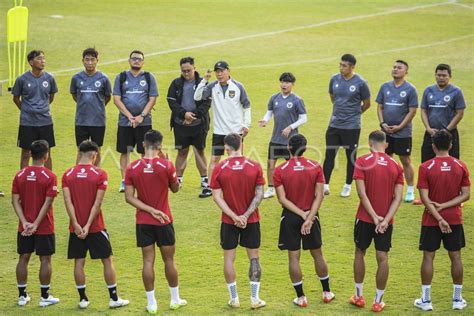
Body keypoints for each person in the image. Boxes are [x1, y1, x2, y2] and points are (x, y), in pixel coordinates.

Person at [124, 130, 186, 313]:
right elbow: (175, 189)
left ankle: (152, 304)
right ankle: (175, 299)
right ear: (159, 146)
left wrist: (150, 211)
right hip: (164, 220)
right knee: (169, 260)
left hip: (143, 222)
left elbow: (129, 197)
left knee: (147, 261)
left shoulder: (132, 167)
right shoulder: (166, 166)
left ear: (143, 144)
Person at [62, 141, 129, 309]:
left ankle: (83, 299)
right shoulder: (100, 174)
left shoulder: (67, 174)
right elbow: (97, 204)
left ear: (79, 153)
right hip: (96, 227)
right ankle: (113, 299)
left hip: (75, 228)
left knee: (79, 261)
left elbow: (67, 202)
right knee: (107, 260)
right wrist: (88, 224)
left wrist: (76, 224)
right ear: (95, 155)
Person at [273, 134, 335, 308]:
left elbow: (282, 199)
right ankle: (327, 292)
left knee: (294, 257)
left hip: (291, 216)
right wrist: (308, 217)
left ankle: (301, 298)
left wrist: (301, 215)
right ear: (305, 149)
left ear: (288, 148)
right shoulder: (315, 166)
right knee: (318, 254)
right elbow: (319, 195)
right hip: (312, 215)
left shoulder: (280, 170)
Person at [414, 130, 470, 311]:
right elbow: (466, 195)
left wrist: (439, 216)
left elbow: (424, 197)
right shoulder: (461, 165)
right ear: (451, 145)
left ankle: (426, 300)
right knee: (455, 256)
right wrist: (446, 207)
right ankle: (457, 299)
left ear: (433, 146)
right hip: (455, 218)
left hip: (431, 220)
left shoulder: (425, 167)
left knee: (428, 256)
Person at [210, 133, 266, 309]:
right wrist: (246, 215)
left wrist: (234, 217)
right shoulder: (255, 166)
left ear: (227, 148)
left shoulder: (219, 167)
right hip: (251, 220)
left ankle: (234, 299)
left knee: (229, 259)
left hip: (228, 221)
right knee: (254, 258)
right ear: (241, 144)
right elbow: (259, 194)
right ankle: (254, 298)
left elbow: (216, 197)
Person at [350, 131, 404, 312]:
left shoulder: (363, 161)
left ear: (369, 143)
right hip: (386, 221)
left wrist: (373, 217)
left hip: (365, 218)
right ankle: (378, 301)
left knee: (360, 253)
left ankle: (358, 296)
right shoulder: (396, 165)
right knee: (382, 258)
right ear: (386, 144)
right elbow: (398, 197)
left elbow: (361, 193)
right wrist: (385, 220)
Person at [11, 140, 60, 307]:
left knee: (23, 257)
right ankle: (44, 296)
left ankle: (22, 296)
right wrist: (36, 224)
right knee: (45, 259)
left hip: (23, 226)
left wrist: (25, 222)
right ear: (46, 156)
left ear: (30, 154)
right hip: (44, 226)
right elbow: (48, 203)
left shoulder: (19, 175)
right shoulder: (50, 177)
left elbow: (15, 201)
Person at [194, 61, 251, 198]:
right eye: (217, 72)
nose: (219, 74)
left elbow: (247, 105)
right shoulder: (212, 86)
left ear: (228, 71)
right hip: (219, 130)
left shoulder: (238, 86)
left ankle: (239, 186)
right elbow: (197, 97)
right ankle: (210, 187)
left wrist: (246, 125)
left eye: (222, 71)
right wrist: (205, 80)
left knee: (237, 159)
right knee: (214, 159)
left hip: (235, 131)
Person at [322, 53, 371, 197]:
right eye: (340, 64)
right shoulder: (334, 79)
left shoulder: (361, 83)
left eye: (344, 66)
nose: (341, 68)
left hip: (351, 127)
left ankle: (347, 185)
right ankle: (325, 184)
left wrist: (355, 114)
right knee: (330, 154)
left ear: (352, 67)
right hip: (334, 124)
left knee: (351, 156)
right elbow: (333, 97)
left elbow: (367, 103)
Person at [113, 50, 159, 192]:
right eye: (134, 58)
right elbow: (116, 99)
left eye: (139, 59)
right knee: (124, 151)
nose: (136, 61)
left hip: (144, 122)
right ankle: (124, 181)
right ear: (129, 60)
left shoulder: (149, 77)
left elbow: (152, 99)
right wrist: (129, 116)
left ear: (143, 61)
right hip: (125, 121)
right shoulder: (121, 77)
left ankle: (143, 180)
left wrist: (141, 116)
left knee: (144, 152)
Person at [259, 72, 307, 199]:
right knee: (270, 163)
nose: (284, 85)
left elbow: (304, 118)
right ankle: (270, 189)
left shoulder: (297, 100)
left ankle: (295, 188)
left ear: (292, 84)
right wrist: (265, 120)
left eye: (287, 82)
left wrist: (290, 127)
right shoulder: (274, 98)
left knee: (292, 166)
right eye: (282, 82)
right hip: (276, 138)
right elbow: (269, 113)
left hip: (290, 141)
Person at [167, 56, 211, 190]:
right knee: (182, 151)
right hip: (181, 125)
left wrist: (193, 115)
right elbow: (171, 101)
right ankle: (178, 180)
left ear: (194, 68)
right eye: (183, 71)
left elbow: (207, 103)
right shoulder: (176, 83)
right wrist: (183, 114)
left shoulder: (203, 83)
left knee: (200, 151)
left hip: (199, 124)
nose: (186, 73)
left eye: (189, 70)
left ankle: (204, 180)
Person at [12, 50, 58, 170]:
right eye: (39, 58)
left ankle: (49, 182)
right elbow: (16, 98)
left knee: (47, 153)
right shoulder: (22, 79)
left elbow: (51, 96)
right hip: (28, 122)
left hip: (45, 121)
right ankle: (23, 181)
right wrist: (26, 110)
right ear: (31, 62)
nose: (43, 61)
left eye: (43, 58)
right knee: (26, 153)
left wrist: (43, 108)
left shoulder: (49, 78)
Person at [70, 48, 112, 166]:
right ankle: (78, 176)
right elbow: (74, 95)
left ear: (97, 61)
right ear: (82, 61)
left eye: (92, 60)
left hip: (98, 121)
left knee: (97, 150)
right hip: (81, 120)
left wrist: (97, 107)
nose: (90, 63)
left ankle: (96, 175)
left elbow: (107, 97)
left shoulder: (104, 78)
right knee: (80, 150)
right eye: (87, 60)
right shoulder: (76, 78)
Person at [420, 64, 466, 163]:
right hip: (431, 133)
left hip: (449, 134)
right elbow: (423, 110)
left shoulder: (456, 92)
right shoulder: (428, 90)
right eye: (439, 75)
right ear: (435, 75)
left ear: (450, 76)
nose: (441, 78)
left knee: (452, 163)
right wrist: (428, 128)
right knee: (426, 162)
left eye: (444, 75)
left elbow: (460, 113)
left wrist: (447, 130)